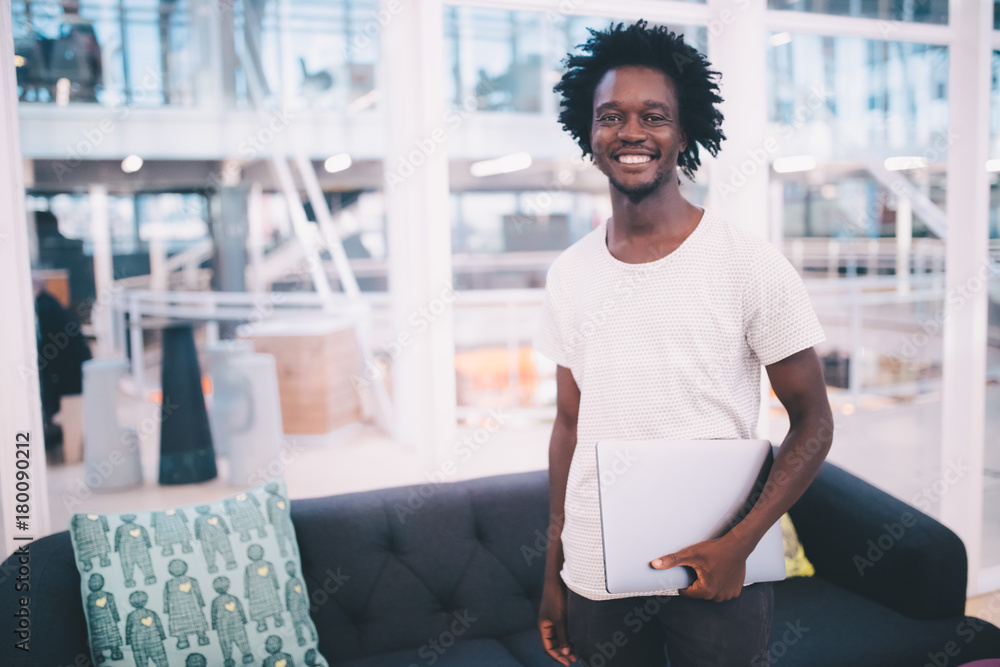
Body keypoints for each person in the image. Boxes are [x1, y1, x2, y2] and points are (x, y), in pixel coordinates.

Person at [534, 21, 833, 666]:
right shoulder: (569, 273)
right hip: (595, 571)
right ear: (589, 134)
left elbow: (813, 421)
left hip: (720, 564)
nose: (631, 132)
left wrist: (742, 543)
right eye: (611, 115)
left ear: (685, 131)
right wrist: (552, 572)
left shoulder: (749, 264)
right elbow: (567, 424)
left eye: (654, 116)